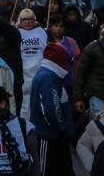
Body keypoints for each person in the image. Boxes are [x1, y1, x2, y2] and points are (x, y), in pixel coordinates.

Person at [30, 43, 74, 176]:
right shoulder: (49, 77)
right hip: (49, 137)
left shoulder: (46, 75)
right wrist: (64, 129)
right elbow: (50, 109)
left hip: (55, 137)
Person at [16, 8, 47, 119]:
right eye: (24, 19)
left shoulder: (41, 31)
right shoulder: (16, 32)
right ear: (20, 21)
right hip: (24, 70)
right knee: (25, 101)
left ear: (34, 20)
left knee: (41, 98)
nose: (27, 22)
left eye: (30, 19)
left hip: (39, 68)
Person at [46, 14, 80, 100]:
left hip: (69, 83)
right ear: (50, 27)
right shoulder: (46, 42)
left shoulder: (71, 42)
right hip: (52, 82)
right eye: (55, 26)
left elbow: (77, 60)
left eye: (61, 26)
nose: (58, 29)